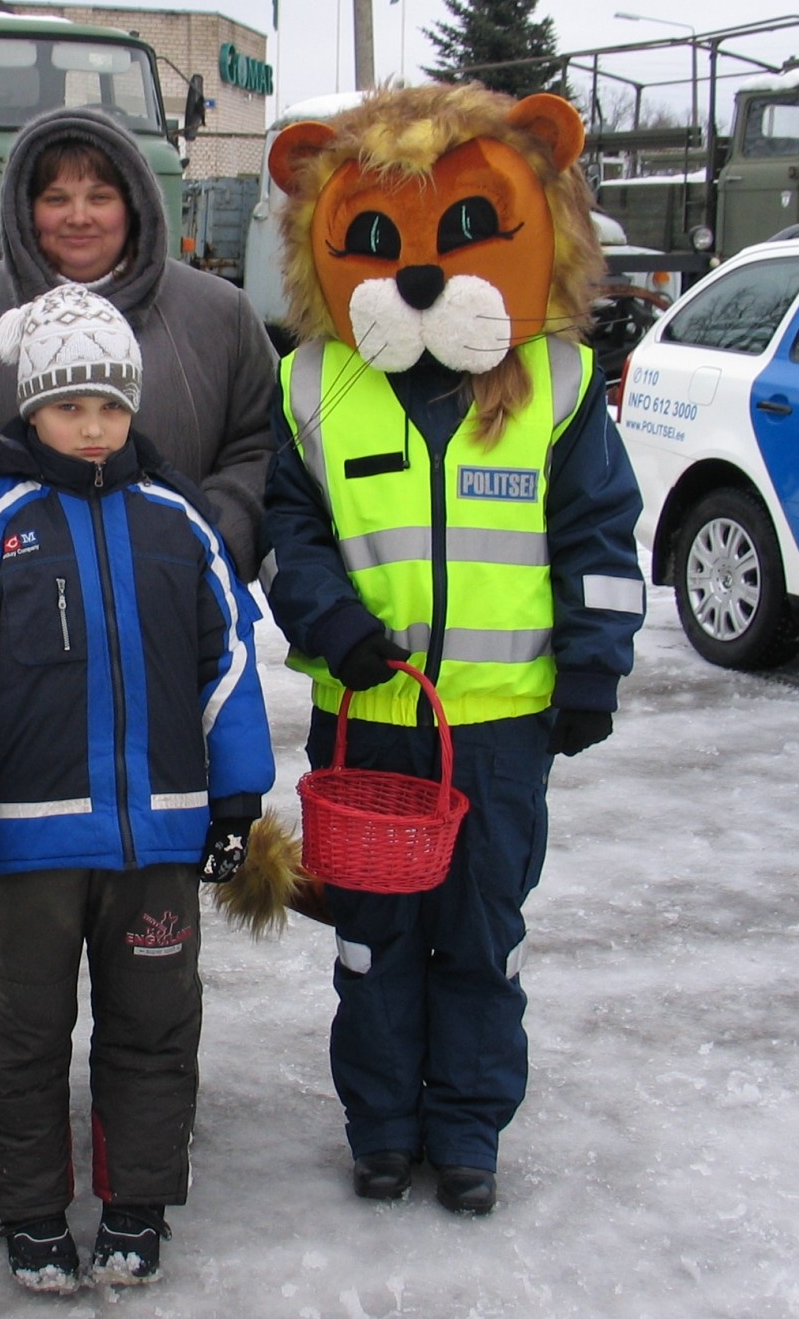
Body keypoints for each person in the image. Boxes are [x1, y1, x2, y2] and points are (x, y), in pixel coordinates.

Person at [261, 84, 645, 1216]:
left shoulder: (559, 388)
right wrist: (329, 624)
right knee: (372, 939)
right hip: (365, 725)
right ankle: (380, 1124)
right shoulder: (310, 388)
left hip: (497, 731)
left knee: (481, 937)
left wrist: (591, 667)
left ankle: (466, 1127)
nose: (417, 272)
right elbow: (289, 534)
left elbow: (597, 538)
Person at [0, 287, 275, 1294]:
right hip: (21, 852)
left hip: (154, 843)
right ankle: (29, 1213)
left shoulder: (177, 524)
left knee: (152, 1028)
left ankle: (136, 1206)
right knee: (20, 1038)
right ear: (31, 412)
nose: (93, 426)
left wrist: (232, 801)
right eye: (70, 407)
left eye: (110, 406)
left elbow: (227, 662)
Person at [0, 106, 277, 579]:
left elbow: (264, 446)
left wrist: (213, 537)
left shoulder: (222, 314)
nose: (78, 217)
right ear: (26, 209)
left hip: (176, 598)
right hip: (1, 615)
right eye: (56, 198)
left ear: (133, 204)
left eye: (100, 197)